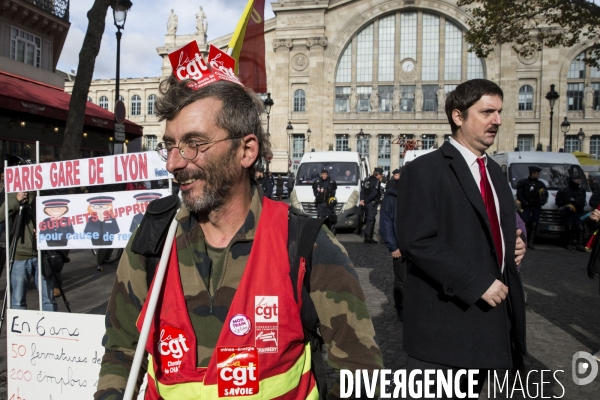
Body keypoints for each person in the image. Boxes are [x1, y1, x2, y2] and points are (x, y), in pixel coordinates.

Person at [95, 77, 382, 399]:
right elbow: (121, 349)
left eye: (194, 144)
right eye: (170, 146)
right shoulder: (153, 240)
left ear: (246, 150)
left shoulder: (304, 243)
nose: (174, 163)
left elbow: (361, 372)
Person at [397, 79, 527, 397]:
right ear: (458, 116)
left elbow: (487, 228)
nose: (497, 120)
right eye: (486, 112)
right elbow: (417, 241)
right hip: (444, 332)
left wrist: (513, 245)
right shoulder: (424, 171)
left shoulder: (495, 172)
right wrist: (476, 282)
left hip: (492, 328)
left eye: (499, 112)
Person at [0, 190, 57, 311]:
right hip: (19, 254)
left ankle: (50, 328)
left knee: (48, 299)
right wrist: (16, 200)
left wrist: (47, 230)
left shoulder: (44, 192)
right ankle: (20, 328)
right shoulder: (12, 193)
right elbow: (1, 215)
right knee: (18, 300)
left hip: (43, 253)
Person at [379, 168, 404, 320]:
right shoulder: (391, 196)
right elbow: (386, 222)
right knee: (402, 281)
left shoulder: (417, 192)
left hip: (417, 247)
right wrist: (392, 246)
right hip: (399, 247)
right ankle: (401, 308)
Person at [516, 166, 548, 249]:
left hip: (536, 207)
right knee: (524, 223)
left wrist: (541, 202)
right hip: (526, 207)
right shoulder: (523, 183)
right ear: (532, 173)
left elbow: (545, 195)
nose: (538, 175)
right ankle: (523, 240)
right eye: (537, 173)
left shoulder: (540, 184)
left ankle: (531, 242)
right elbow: (519, 195)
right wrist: (525, 202)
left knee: (534, 224)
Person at [556, 175, 587, 251]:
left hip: (578, 212)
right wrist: (566, 207)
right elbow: (558, 202)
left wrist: (574, 204)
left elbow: (582, 201)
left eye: (579, 180)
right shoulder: (564, 190)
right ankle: (569, 243)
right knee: (568, 227)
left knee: (580, 228)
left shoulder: (581, 190)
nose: (578, 181)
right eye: (576, 180)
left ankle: (580, 244)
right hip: (568, 213)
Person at [360, 167, 383, 243]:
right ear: (378, 175)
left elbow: (362, 191)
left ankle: (368, 236)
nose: (381, 177)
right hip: (371, 203)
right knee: (371, 220)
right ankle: (368, 238)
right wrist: (365, 201)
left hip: (365, 203)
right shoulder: (376, 181)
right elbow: (374, 193)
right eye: (381, 175)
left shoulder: (367, 180)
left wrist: (362, 200)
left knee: (368, 219)